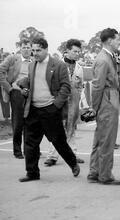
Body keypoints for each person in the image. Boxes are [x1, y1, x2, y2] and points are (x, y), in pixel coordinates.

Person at [17, 37, 79, 182]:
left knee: (59, 141)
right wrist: (25, 88)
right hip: (33, 110)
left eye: (38, 50)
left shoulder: (58, 65)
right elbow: (33, 82)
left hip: (50, 110)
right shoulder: (32, 65)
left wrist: (55, 106)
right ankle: (32, 173)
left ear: (46, 49)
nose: (35, 53)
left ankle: (73, 163)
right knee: (30, 143)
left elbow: (65, 87)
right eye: (33, 50)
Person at [87, 28, 120, 185]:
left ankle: (94, 171)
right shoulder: (103, 59)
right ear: (110, 41)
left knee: (100, 137)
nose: (119, 42)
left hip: (107, 98)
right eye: (117, 40)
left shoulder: (107, 57)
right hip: (107, 99)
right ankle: (105, 175)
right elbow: (97, 86)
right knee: (107, 138)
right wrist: (95, 107)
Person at [44, 39, 86, 167]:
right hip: (59, 100)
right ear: (67, 51)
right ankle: (52, 156)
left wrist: (83, 104)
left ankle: (72, 154)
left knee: (71, 127)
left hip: (74, 100)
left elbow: (81, 87)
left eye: (79, 52)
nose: (77, 54)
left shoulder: (79, 68)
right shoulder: (56, 65)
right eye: (74, 51)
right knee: (57, 128)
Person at [0, 40, 32, 159]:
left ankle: (30, 149)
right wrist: (9, 88)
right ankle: (17, 151)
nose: (27, 50)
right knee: (18, 122)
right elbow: (0, 71)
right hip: (16, 92)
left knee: (30, 123)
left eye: (29, 48)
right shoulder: (12, 59)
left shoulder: (34, 62)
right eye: (24, 47)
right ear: (20, 48)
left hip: (30, 94)